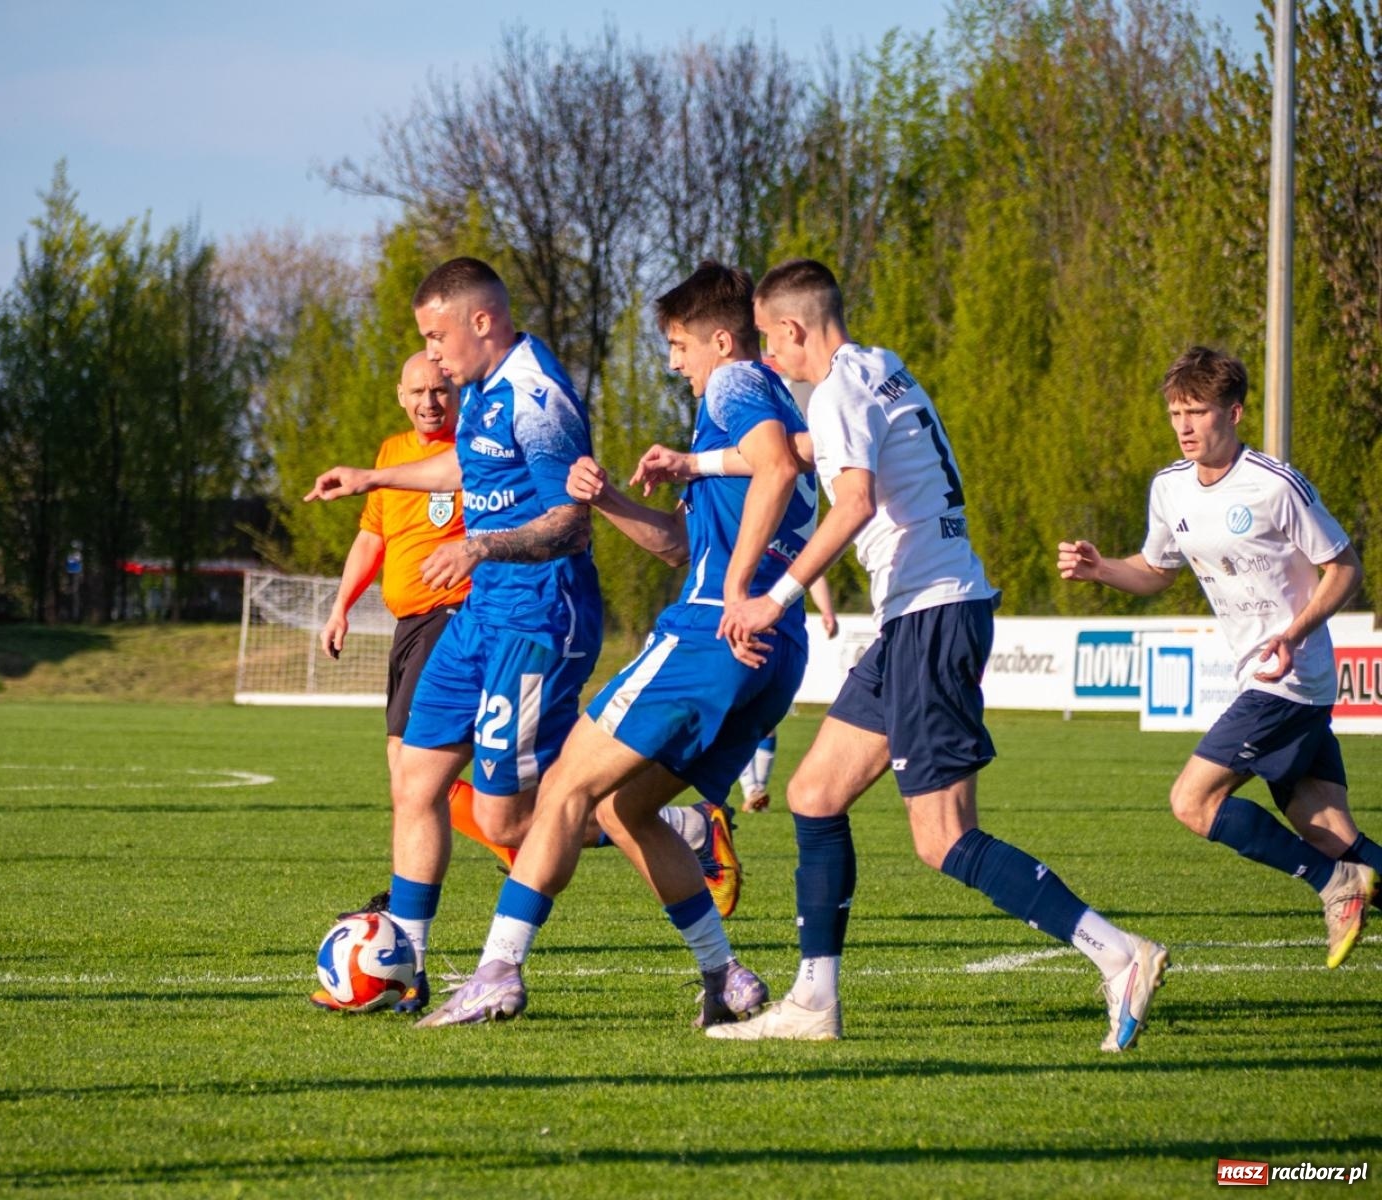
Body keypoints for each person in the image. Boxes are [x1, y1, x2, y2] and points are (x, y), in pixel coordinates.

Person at [641, 258, 1165, 1051]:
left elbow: (849, 503)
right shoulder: (879, 369)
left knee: (942, 837)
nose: (766, 359)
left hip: (933, 615)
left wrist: (770, 598)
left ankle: (1117, 953)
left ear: (790, 330)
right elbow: (802, 450)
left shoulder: (843, 386)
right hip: (914, 619)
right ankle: (815, 1001)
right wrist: (696, 462)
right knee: (814, 794)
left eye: (769, 343)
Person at [309, 259, 742, 1011]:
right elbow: (467, 469)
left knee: (507, 816)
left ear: (483, 321)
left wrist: (480, 546)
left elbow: (570, 524)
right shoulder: (481, 388)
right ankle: (404, 964)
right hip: (482, 613)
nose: (433, 356)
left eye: (437, 336)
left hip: (541, 618)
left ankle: (663, 819)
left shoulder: (538, 397)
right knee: (417, 780)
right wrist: (374, 478)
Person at [416, 261, 813, 1029]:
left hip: (712, 632)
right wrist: (614, 501)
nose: (674, 363)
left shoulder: (736, 385)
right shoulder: (737, 417)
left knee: (565, 786)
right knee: (629, 811)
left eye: (677, 346)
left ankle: (498, 970)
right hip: (772, 649)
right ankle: (724, 976)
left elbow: (777, 467)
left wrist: (735, 593)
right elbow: (680, 546)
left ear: (721, 340)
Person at [1059, 346, 1378, 969]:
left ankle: (1333, 888)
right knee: (1333, 835)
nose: (1183, 425)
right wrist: (1103, 571)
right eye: (1176, 412)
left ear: (1233, 413)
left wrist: (1295, 632)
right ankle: (1344, 874)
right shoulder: (1169, 488)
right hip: (1261, 679)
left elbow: (1344, 569)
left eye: (1197, 411)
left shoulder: (1274, 485)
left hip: (1288, 678)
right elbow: (1155, 572)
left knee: (1192, 801)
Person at [309, 351, 497, 946]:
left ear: (456, 391)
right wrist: (341, 606)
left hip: (455, 618)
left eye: (439, 390)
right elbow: (373, 536)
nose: (429, 401)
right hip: (408, 625)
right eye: (418, 391)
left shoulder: (477, 449)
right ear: (400, 394)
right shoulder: (391, 454)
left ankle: (404, 913)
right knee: (409, 774)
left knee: (413, 778)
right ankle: (515, 840)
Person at [737, 577, 837, 814]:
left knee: (766, 720)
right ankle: (752, 790)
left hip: (783, 638)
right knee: (737, 716)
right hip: (745, 629)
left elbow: (817, 571)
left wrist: (827, 611)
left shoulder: (795, 541)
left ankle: (756, 791)